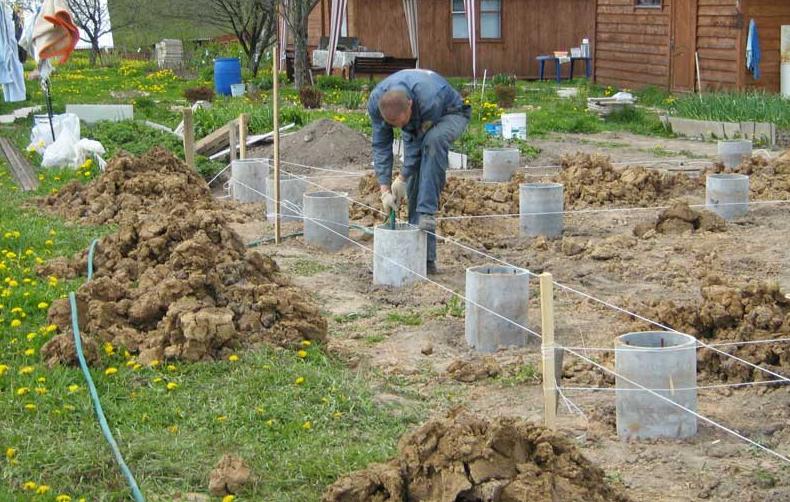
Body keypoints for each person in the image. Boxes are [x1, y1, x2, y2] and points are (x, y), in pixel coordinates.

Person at [368, 69, 471, 274]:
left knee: (432, 145)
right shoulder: (376, 103)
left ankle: (426, 212)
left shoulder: (428, 99)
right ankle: (424, 261)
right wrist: (385, 189)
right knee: (414, 179)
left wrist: (402, 176)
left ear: (410, 106)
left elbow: (416, 147)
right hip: (417, 120)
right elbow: (381, 146)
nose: (398, 128)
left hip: (450, 113)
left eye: (401, 123)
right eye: (393, 125)